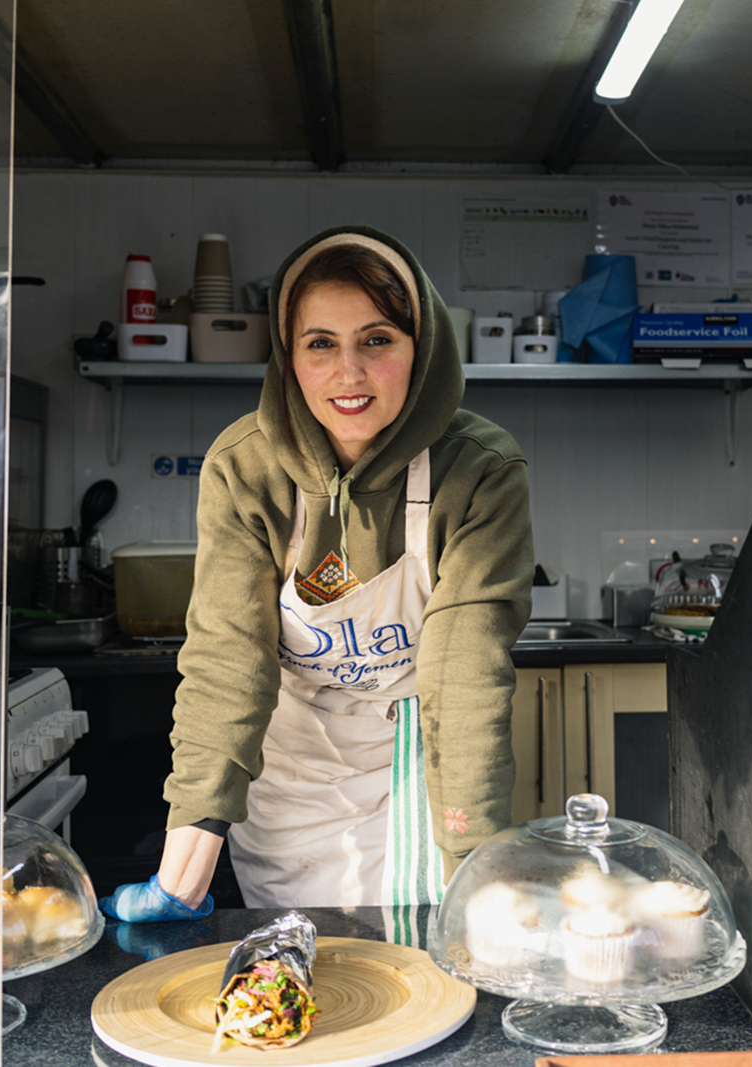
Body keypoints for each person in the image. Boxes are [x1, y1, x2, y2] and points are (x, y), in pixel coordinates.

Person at [101, 225, 533, 920]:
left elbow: (465, 673)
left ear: (422, 348)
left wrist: (474, 858)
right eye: (320, 343)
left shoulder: (478, 471)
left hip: (417, 768)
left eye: (378, 339)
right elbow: (227, 659)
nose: (348, 373)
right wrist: (184, 864)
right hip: (292, 769)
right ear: (288, 356)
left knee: (424, 962)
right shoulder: (246, 468)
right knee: (297, 971)